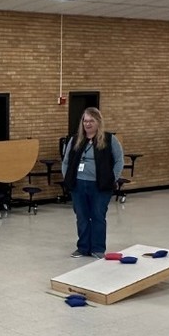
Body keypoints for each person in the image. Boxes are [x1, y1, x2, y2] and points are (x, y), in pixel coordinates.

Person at [61, 107, 124, 259]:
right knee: (82, 217)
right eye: (85, 121)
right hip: (78, 185)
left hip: (100, 186)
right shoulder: (75, 140)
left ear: (98, 122)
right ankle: (83, 247)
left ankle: (97, 248)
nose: (87, 124)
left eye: (91, 121)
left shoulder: (109, 139)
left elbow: (119, 160)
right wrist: (67, 178)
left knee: (97, 216)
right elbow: (66, 161)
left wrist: (113, 178)